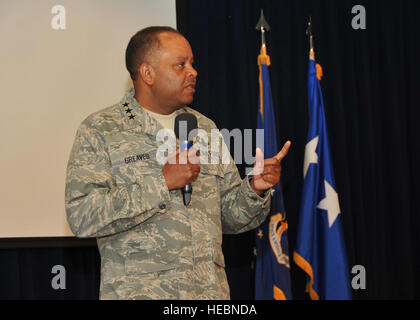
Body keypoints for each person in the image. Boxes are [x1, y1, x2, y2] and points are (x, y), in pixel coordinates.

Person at [65, 26, 291, 300]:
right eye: (180, 65)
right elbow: (82, 217)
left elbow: (230, 218)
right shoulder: (101, 130)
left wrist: (255, 189)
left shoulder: (205, 128)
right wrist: (162, 182)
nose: (193, 72)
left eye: (192, 63)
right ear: (147, 73)